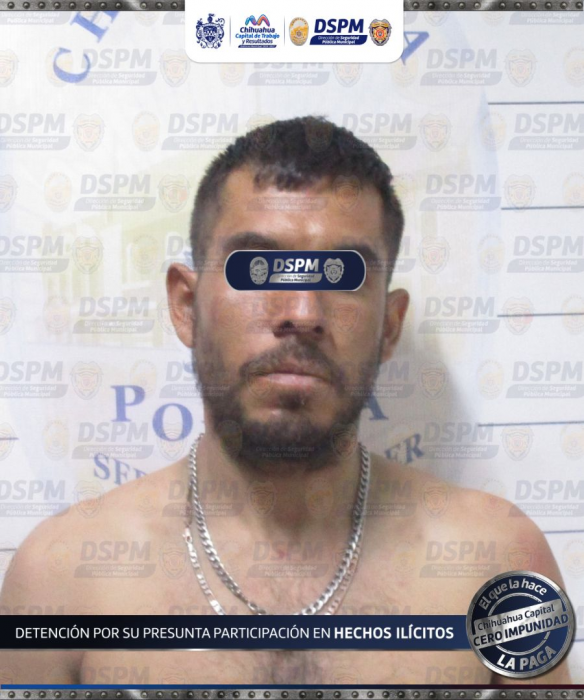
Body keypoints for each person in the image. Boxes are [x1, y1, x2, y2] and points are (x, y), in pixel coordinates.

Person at [0, 117, 570, 685]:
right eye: (258, 269)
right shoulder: (61, 582)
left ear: (390, 326)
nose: (302, 311)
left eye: (342, 276)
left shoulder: (499, 566)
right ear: (186, 307)